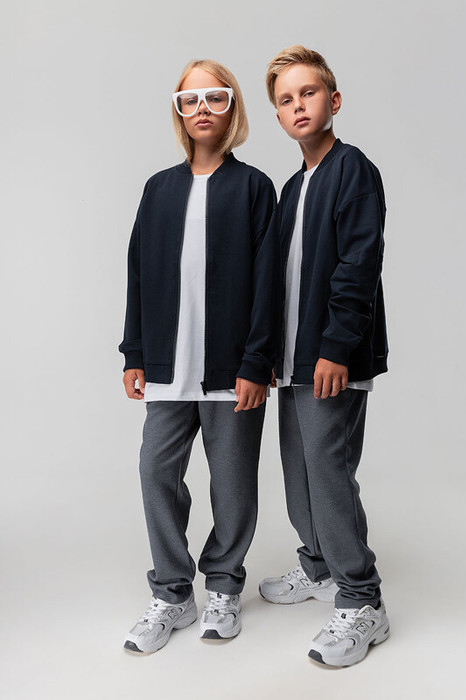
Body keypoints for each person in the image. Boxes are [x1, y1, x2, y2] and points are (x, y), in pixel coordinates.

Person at [118, 59, 278, 653]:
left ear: (232, 106)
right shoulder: (158, 189)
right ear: (179, 111)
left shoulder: (254, 187)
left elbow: (268, 284)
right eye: (190, 100)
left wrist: (256, 362)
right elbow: (138, 274)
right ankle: (172, 592)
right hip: (167, 364)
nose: (202, 109)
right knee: (156, 471)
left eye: (215, 97)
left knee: (232, 484)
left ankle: (225, 586)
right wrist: (135, 352)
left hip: (232, 369)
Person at [259, 45, 390, 668]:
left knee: (328, 473)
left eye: (308, 93)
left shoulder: (352, 169)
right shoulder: (292, 188)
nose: (298, 106)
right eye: (286, 100)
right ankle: (317, 565)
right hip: (293, 363)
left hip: (331, 359)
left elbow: (359, 264)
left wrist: (336, 348)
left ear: (333, 100)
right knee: (298, 472)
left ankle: (362, 599)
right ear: (278, 117)